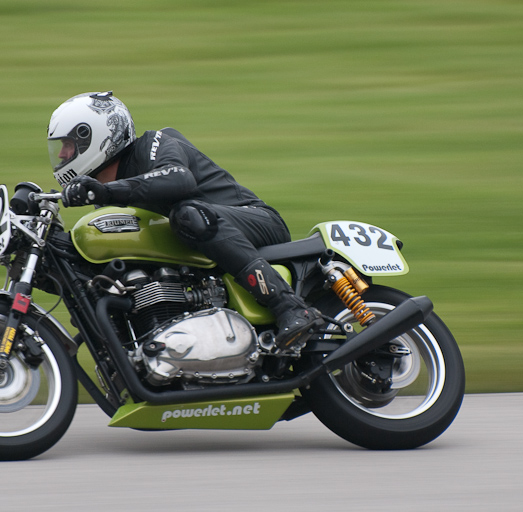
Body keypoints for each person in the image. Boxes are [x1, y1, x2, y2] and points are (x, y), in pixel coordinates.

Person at [47, 91, 322, 350]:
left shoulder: (154, 143)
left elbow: (178, 179)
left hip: (256, 222)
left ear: (94, 138)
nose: (61, 155)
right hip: (204, 248)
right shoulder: (107, 197)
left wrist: (107, 191)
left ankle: (290, 306)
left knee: (188, 215)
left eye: (68, 145)